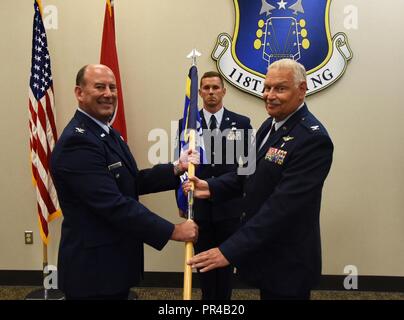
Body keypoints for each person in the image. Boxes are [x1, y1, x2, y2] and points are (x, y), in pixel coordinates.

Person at [186, 59, 334, 300]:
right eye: (266, 88)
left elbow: (281, 208)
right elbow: (247, 172)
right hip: (267, 254)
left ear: (302, 90)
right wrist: (210, 187)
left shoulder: (312, 140)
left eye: (280, 88)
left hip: (289, 261)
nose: (269, 95)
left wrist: (229, 249)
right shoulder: (269, 126)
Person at [50, 64, 198, 300]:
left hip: (114, 262)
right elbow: (113, 204)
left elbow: (132, 181)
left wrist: (176, 168)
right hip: (92, 272)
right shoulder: (77, 143)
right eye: (100, 87)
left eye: (112, 87)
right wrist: (173, 231)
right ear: (79, 93)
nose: (108, 93)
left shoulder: (108, 134)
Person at [177, 71, 252, 300]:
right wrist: (181, 200)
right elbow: (180, 166)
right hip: (200, 211)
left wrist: (212, 187)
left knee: (225, 269)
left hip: (229, 209)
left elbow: (246, 169)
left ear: (224, 91)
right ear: (199, 92)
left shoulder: (241, 123)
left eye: (215, 88)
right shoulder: (187, 124)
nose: (211, 92)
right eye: (206, 88)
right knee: (205, 268)